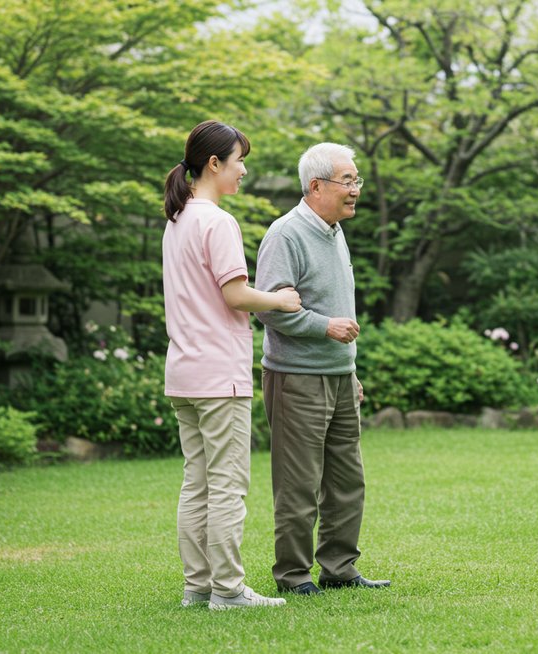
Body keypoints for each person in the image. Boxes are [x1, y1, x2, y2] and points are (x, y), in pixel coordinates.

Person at [162, 120, 301, 611]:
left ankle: (197, 587)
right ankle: (228, 590)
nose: (244, 170)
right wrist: (282, 301)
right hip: (219, 375)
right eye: (239, 160)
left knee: (196, 481)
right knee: (226, 485)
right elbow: (235, 294)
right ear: (214, 164)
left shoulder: (178, 219)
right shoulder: (217, 221)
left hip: (182, 373)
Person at [254, 142, 390, 595]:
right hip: (296, 378)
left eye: (357, 181)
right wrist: (324, 328)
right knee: (298, 484)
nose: (356, 190)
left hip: (337, 377)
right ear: (316, 186)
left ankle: (339, 568)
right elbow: (270, 307)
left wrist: (349, 370)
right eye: (348, 181)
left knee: (347, 480)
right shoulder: (285, 234)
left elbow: (335, 305)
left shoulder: (334, 231)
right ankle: (293, 576)